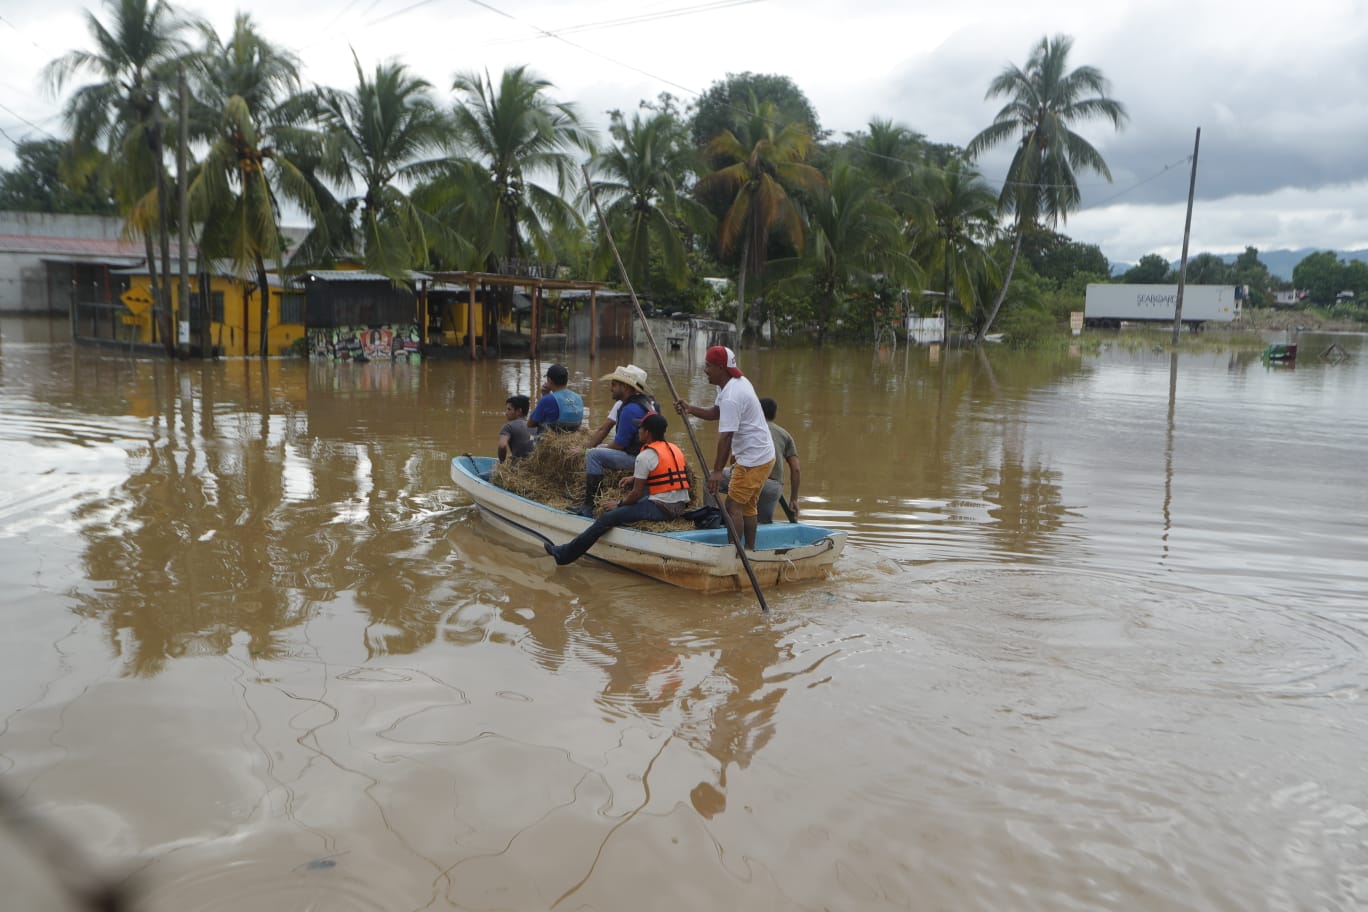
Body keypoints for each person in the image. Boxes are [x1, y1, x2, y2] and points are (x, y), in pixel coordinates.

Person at [544, 412, 690, 565]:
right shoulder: (674, 449)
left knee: (607, 518)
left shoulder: (645, 456)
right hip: (680, 505)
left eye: (640, 428)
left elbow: (636, 494)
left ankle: (564, 554)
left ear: (647, 433)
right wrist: (634, 477)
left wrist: (618, 504)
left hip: (663, 509)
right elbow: (666, 472)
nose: (638, 431)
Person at [675, 345, 775, 550]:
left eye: (708, 366)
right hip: (760, 455)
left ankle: (734, 552)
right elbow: (715, 413)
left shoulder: (732, 394)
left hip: (753, 459)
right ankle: (748, 551)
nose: (705, 370)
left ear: (721, 368)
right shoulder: (730, 384)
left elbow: (726, 436)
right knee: (747, 506)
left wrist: (718, 471)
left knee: (732, 506)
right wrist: (690, 408)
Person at [575, 364, 657, 517]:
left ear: (625, 387)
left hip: (638, 459)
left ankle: (589, 505)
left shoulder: (630, 409)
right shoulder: (646, 403)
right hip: (649, 456)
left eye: (614, 384)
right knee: (598, 449)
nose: (610, 388)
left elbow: (619, 445)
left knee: (593, 455)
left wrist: (595, 449)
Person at [722, 396, 802, 523]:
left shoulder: (748, 428)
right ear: (774, 415)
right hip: (772, 486)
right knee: (761, 523)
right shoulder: (785, 434)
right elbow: (796, 469)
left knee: (711, 479)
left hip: (748, 478)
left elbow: (733, 460)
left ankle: (710, 520)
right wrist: (794, 499)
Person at [526, 363, 584, 435]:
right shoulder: (578, 397)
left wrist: (544, 397)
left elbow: (530, 424)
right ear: (566, 380)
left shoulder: (547, 399)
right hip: (572, 438)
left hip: (551, 440)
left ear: (549, 380)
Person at [497, 394, 534, 463]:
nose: (506, 413)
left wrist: (502, 463)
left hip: (518, 469)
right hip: (533, 467)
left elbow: (502, 446)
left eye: (509, 409)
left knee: (482, 474)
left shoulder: (508, 426)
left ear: (519, 411)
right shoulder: (534, 426)